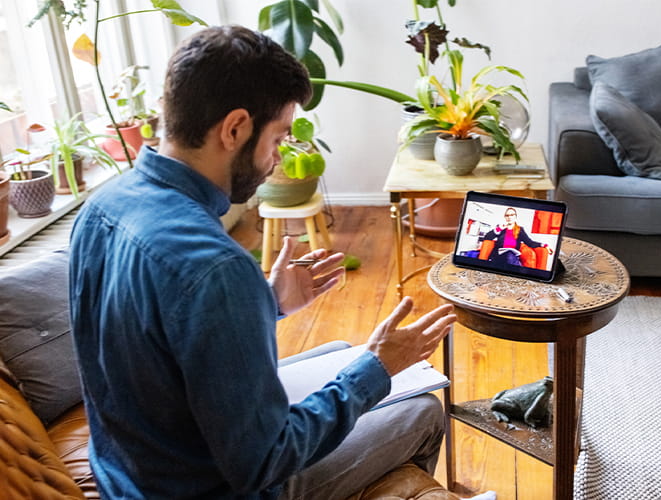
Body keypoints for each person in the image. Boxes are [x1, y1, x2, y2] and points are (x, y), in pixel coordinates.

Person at [69, 25, 458, 500]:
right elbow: (264, 461)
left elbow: (154, 336)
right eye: (277, 138)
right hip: (213, 487)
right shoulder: (216, 268)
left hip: (127, 476)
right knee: (420, 411)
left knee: (337, 347)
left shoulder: (101, 206)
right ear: (234, 128)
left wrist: (264, 303)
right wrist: (377, 367)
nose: (276, 159)